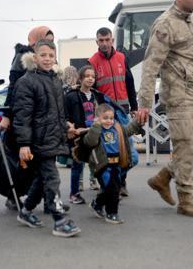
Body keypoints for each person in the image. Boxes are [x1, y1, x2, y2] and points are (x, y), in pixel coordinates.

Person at [136, 0, 193, 218]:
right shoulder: (164, 24)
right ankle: (185, 199)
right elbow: (150, 65)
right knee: (185, 145)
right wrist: (145, 103)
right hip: (178, 95)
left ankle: (164, 176)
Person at [12, 39, 81, 237]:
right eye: (43, 55)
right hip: (37, 140)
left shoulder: (54, 80)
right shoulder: (27, 82)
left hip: (53, 137)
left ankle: (25, 211)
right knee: (52, 178)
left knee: (43, 179)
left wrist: (65, 126)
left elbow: (56, 112)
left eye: (51, 55)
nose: (47, 59)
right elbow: (22, 116)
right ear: (35, 57)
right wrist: (24, 144)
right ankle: (59, 220)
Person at [0, 26, 54, 210]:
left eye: (51, 42)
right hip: (23, 118)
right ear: (35, 41)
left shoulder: (48, 60)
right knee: (25, 163)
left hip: (43, 119)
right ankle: (13, 195)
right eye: (45, 41)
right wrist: (7, 116)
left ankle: (49, 199)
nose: (48, 46)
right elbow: (12, 88)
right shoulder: (22, 59)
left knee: (46, 161)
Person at [89, 27, 138, 197]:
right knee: (109, 152)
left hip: (123, 112)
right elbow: (91, 91)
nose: (104, 43)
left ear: (112, 40)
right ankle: (109, 184)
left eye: (107, 39)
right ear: (97, 42)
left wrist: (135, 107)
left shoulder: (122, 58)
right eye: (101, 40)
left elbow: (130, 84)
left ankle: (121, 180)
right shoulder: (92, 62)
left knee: (129, 152)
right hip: (106, 115)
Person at [82, 103, 140, 224]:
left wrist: (138, 122)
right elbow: (89, 141)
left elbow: (128, 130)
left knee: (112, 188)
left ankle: (97, 204)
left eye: (111, 118)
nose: (109, 121)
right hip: (103, 166)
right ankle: (112, 213)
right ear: (98, 118)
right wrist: (96, 126)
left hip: (115, 165)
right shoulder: (96, 130)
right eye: (105, 118)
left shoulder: (117, 128)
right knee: (112, 189)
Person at [65, 65, 105, 204]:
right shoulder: (71, 96)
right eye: (87, 76)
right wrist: (69, 128)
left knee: (99, 163)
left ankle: (106, 190)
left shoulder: (97, 96)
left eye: (93, 76)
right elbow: (65, 116)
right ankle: (74, 193)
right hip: (78, 136)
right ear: (80, 78)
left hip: (94, 134)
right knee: (78, 165)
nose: (90, 79)